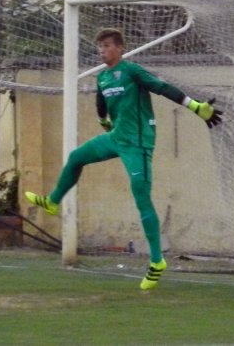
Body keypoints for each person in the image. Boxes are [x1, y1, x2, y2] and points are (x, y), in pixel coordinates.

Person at [24, 27, 223, 290]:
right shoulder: (103, 76)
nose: (102, 50)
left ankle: (156, 261)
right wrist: (103, 120)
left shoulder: (132, 71)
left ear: (120, 48)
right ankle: (52, 201)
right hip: (117, 138)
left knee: (141, 196)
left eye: (107, 46)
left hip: (138, 144)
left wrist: (195, 106)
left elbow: (161, 87)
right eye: (100, 46)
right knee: (76, 157)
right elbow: (101, 102)